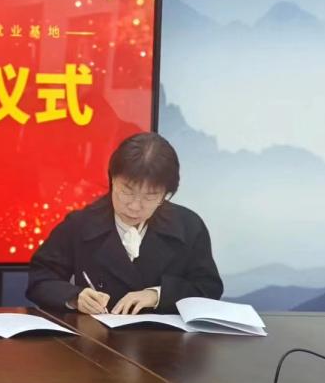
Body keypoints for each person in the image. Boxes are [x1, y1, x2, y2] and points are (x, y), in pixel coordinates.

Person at [27, 133, 222, 315]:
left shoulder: (189, 226)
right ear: (112, 179)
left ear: (165, 194)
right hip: (96, 337)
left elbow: (208, 288)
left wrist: (158, 295)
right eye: (127, 192)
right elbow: (40, 279)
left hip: (166, 338)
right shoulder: (80, 224)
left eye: (150, 196)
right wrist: (74, 297)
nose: (135, 206)